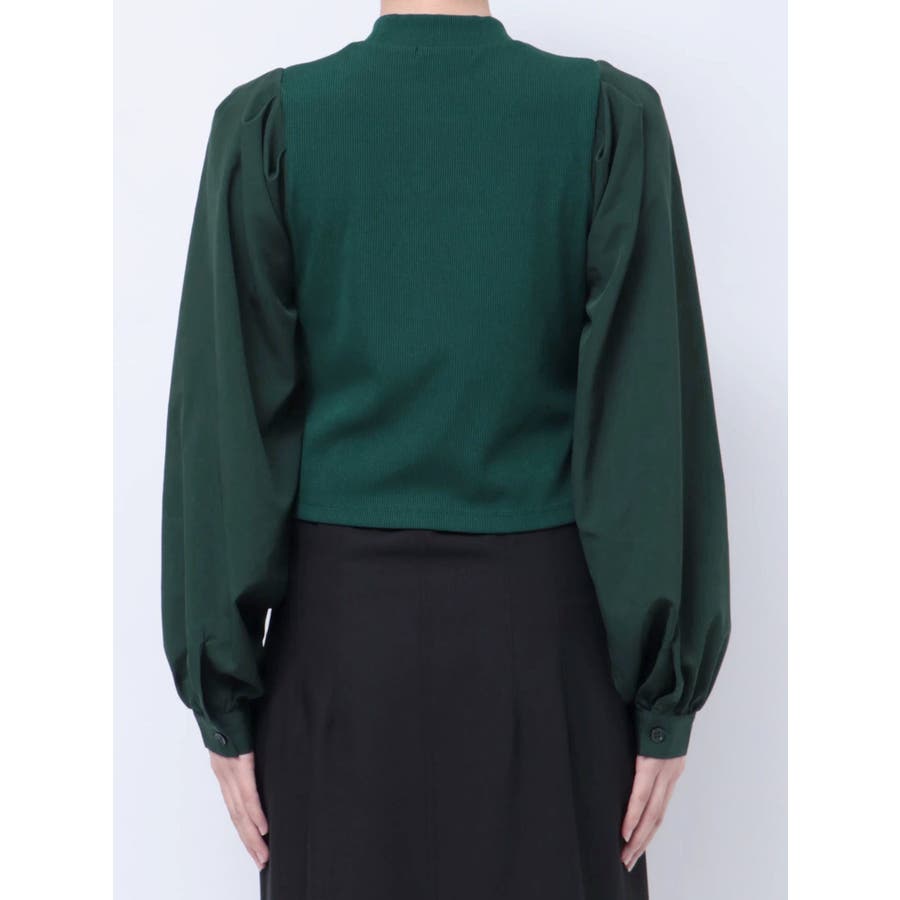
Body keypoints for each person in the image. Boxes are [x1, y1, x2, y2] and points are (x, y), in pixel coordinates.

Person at [160, 2, 731, 898]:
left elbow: (227, 432)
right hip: (546, 662)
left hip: (340, 666)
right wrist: (667, 700)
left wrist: (221, 697)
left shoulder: (272, 127)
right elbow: (646, 423)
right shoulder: (606, 121)